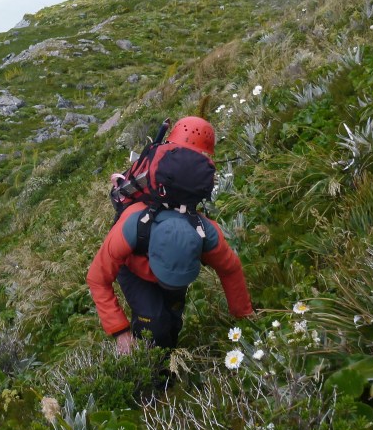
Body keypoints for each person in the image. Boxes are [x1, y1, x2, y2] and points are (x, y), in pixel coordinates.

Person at [87, 116, 253, 353]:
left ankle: (166, 360)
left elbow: (231, 270)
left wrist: (245, 316)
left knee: (172, 321)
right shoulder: (131, 226)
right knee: (154, 324)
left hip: (162, 260)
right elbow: (97, 278)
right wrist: (120, 332)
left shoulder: (206, 233)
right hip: (133, 271)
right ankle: (150, 373)